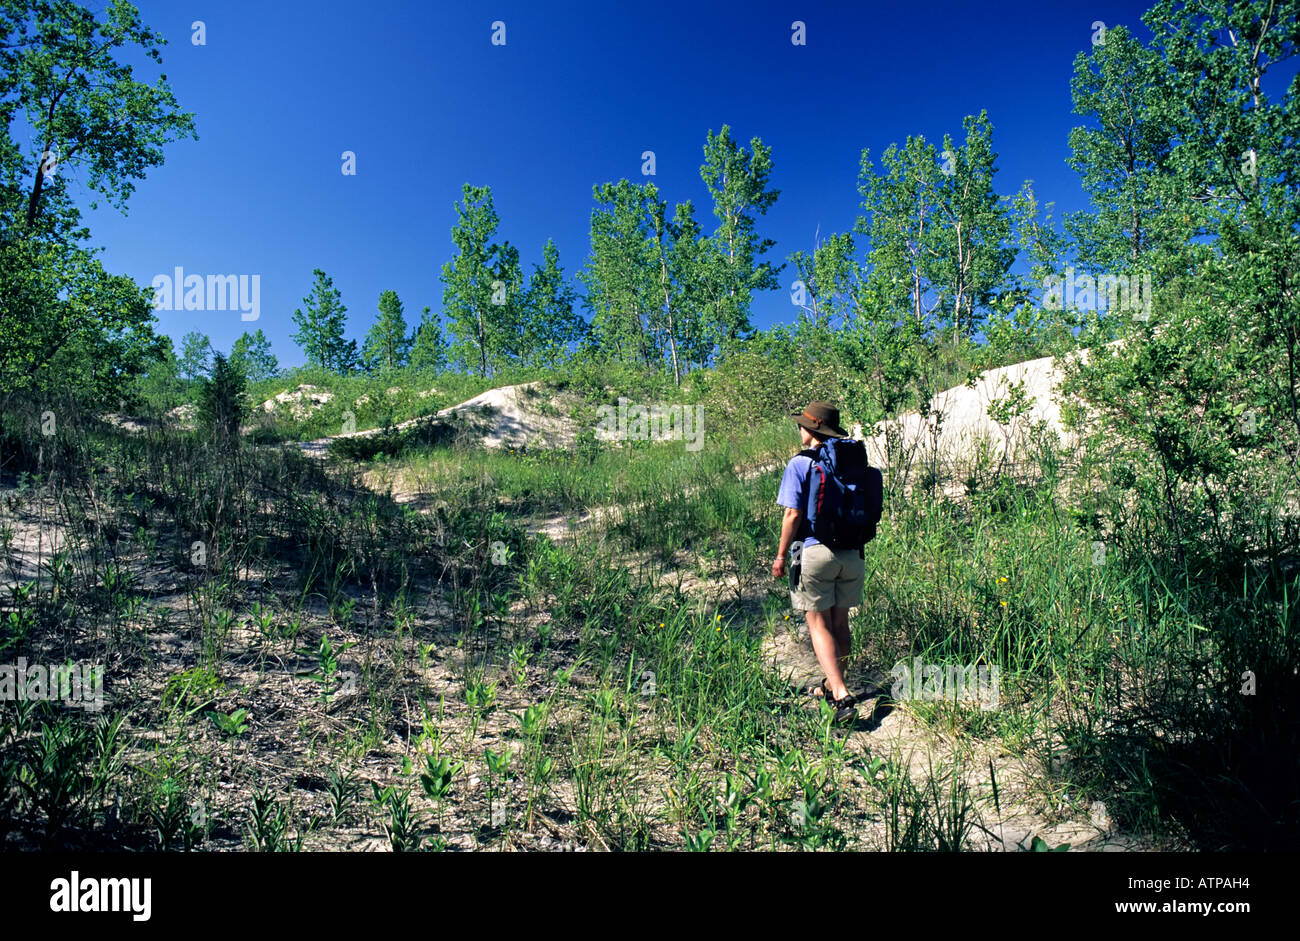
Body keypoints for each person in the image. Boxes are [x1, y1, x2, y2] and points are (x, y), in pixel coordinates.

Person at [772, 401, 864, 722]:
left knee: (817, 623)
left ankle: (840, 694)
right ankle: (831, 682)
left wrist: (782, 554)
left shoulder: (800, 464)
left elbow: (792, 514)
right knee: (841, 623)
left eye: (801, 425)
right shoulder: (853, 461)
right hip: (853, 554)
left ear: (811, 430)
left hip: (811, 551)